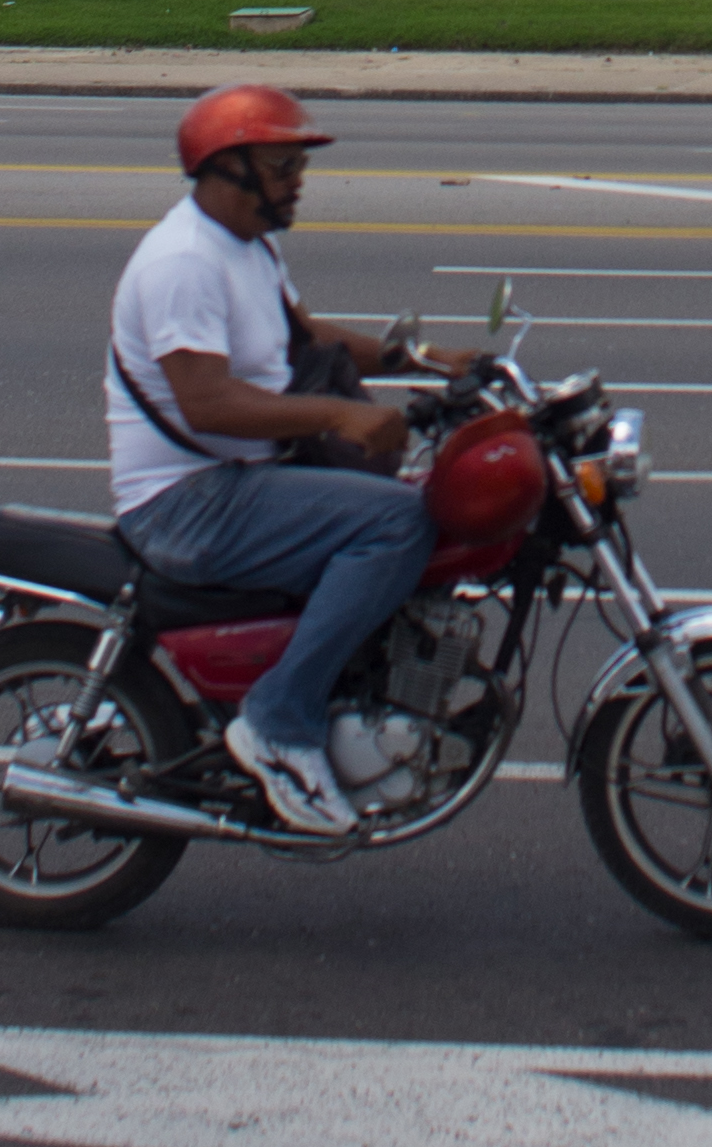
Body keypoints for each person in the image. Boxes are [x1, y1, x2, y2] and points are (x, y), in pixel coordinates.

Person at [104, 84, 454, 841]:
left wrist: (428, 361)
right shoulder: (184, 261)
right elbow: (208, 404)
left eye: (299, 164)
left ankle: (346, 691)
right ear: (229, 170)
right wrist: (342, 413)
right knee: (399, 524)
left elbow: (304, 338)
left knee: (419, 500)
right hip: (185, 503)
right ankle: (281, 723)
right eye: (284, 164)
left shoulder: (248, 246)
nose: (299, 179)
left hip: (238, 482)